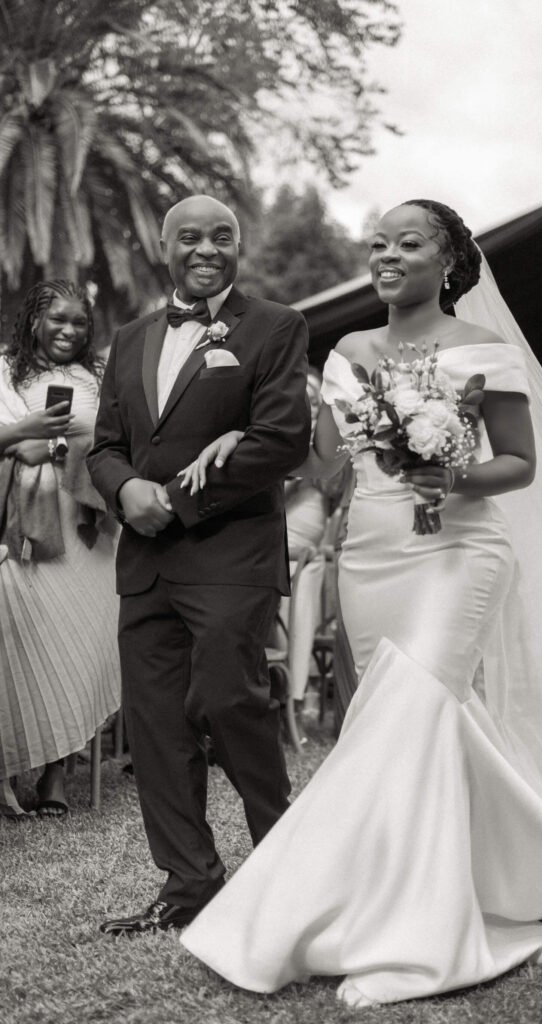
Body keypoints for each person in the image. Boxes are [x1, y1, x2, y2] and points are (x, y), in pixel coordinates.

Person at [181, 200, 542, 1007]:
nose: (385, 256)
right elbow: (322, 464)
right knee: (413, 722)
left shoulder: (485, 349)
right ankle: (519, 867)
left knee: (406, 714)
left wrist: (453, 474)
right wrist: (236, 435)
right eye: (376, 243)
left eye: (406, 244)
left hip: (461, 552)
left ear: (446, 260)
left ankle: (410, 928)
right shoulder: (346, 350)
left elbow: (517, 463)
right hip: (371, 554)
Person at [87, 195, 311, 936]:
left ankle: (287, 871)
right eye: (190, 236)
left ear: (238, 246)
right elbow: (106, 445)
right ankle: (189, 886)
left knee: (228, 704)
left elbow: (280, 439)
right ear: (164, 245)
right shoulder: (129, 338)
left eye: (221, 235)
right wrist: (125, 489)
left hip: (228, 554)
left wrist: (176, 502)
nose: (205, 247)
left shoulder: (275, 326)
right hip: (145, 564)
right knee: (155, 726)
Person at [0, 280, 120, 820]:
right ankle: (8, 767)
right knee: (21, 648)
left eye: (79, 323)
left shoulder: (102, 376)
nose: (69, 331)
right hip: (25, 531)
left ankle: (56, 773)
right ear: (33, 322)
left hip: (88, 529)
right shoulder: (6, 370)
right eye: (58, 320)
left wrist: (53, 445)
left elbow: (124, 438)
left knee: (80, 649)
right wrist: (19, 435)